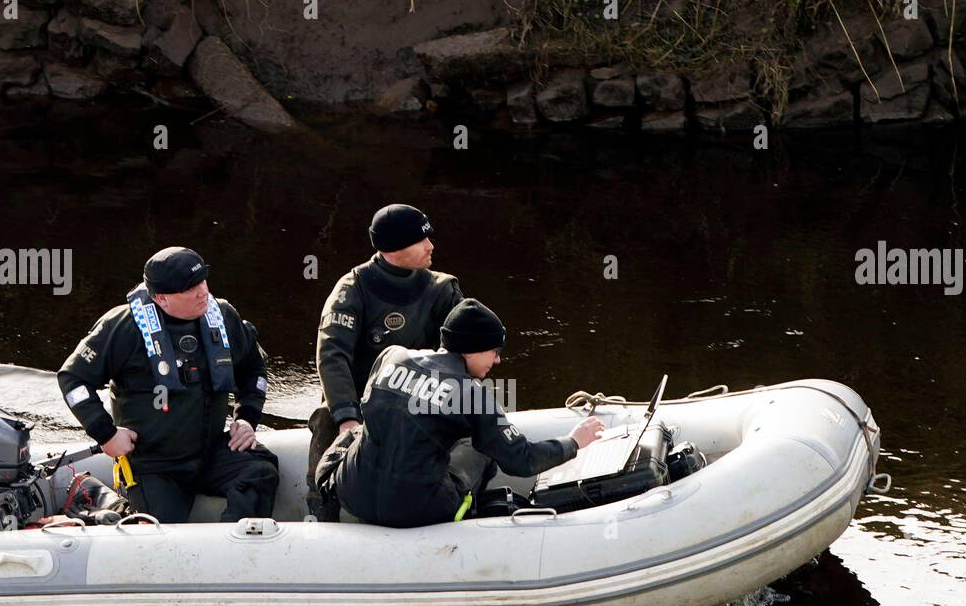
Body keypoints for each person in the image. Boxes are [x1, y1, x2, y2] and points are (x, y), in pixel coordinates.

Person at [323, 299, 604, 528]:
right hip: (416, 512)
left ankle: (322, 505)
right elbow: (522, 460)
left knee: (360, 431)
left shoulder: (391, 356)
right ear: (473, 349)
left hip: (353, 493)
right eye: (494, 351)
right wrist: (574, 442)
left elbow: (384, 408)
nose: (498, 360)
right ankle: (467, 524)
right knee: (483, 447)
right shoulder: (472, 393)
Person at [57, 246, 279, 524]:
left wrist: (247, 417)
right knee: (160, 531)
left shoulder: (223, 316)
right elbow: (72, 379)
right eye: (190, 288)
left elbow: (254, 367)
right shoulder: (122, 327)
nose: (202, 292)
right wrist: (106, 434)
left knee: (260, 471)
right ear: (161, 298)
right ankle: (106, 503)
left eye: (202, 281)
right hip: (153, 464)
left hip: (210, 453)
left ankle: (233, 550)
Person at [307, 203, 463, 519]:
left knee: (469, 413)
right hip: (360, 402)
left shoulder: (442, 289)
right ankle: (321, 509)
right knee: (326, 415)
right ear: (394, 248)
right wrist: (347, 417)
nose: (431, 246)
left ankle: (451, 501)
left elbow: (464, 351)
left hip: (417, 398)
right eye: (422, 240)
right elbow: (332, 355)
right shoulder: (352, 290)